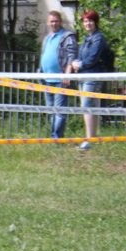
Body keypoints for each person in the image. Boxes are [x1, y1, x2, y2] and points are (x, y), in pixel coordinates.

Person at [71, 9, 109, 151]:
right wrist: (76, 62)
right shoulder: (87, 38)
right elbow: (82, 56)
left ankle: (89, 140)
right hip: (84, 76)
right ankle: (91, 138)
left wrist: (79, 64)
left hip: (92, 76)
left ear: (96, 22)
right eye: (85, 21)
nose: (87, 24)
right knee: (88, 106)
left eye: (90, 21)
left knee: (87, 105)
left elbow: (92, 58)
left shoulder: (98, 38)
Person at [39, 10, 78, 139]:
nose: (54, 24)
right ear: (47, 23)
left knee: (60, 111)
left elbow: (71, 55)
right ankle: (54, 137)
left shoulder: (67, 36)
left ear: (60, 22)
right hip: (47, 79)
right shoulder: (47, 38)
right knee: (51, 111)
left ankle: (56, 138)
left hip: (61, 80)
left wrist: (67, 74)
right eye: (51, 21)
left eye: (56, 21)